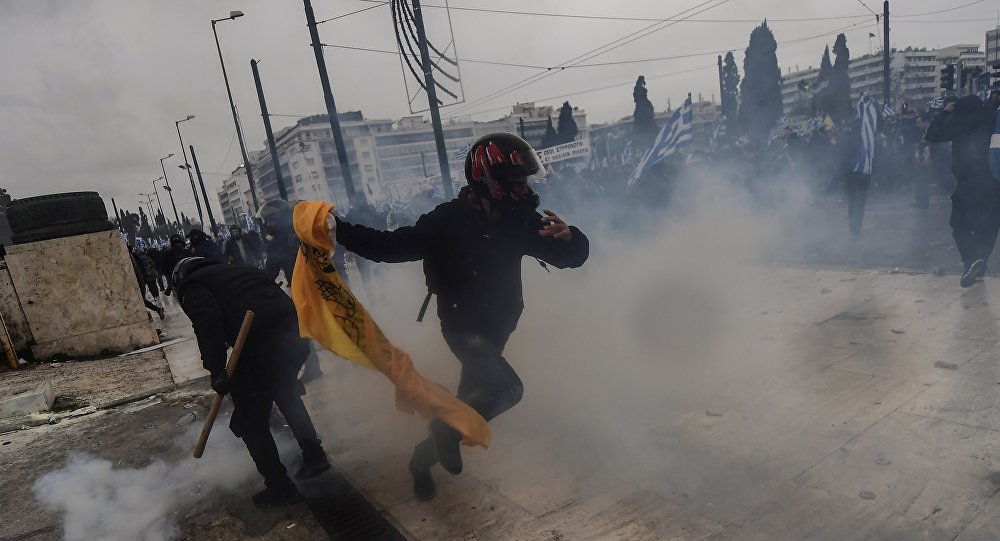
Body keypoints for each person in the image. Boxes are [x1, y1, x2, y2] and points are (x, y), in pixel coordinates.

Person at [332, 133, 589, 500]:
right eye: (517, 184)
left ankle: (422, 460)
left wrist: (571, 238)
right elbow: (392, 247)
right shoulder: (448, 220)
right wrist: (339, 230)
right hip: (462, 326)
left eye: (526, 183)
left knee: (465, 405)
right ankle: (442, 435)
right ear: (490, 182)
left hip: (499, 327)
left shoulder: (520, 221)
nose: (525, 192)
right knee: (506, 389)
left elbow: (572, 258)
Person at [172, 256, 331, 508]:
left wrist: (216, 370)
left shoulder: (191, 285)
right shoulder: (237, 269)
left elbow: (208, 322)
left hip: (261, 341)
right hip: (294, 333)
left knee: (250, 421)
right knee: (286, 393)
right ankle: (315, 455)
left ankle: (280, 487)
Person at [925, 95, 999, 287]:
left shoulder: (959, 121)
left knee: (960, 224)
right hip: (994, 181)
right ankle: (980, 262)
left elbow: (932, 135)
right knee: (989, 224)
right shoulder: (993, 118)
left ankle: (970, 261)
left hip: (968, 183)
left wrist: (945, 112)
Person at [257, 200, 326, 382]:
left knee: (305, 330)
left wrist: (256, 284)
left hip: (309, 289)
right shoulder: (298, 232)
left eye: (271, 220)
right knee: (314, 327)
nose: (268, 225)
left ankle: (315, 366)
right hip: (317, 286)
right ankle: (315, 366)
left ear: (281, 217)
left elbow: (270, 271)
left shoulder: (283, 239)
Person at [129, 247, 164, 320]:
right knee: (144, 297)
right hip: (147, 277)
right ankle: (157, 302)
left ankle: (155, 309)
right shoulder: (136, 257)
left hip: (140, 280)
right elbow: (153, 264)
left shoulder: (132, 258)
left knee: (142, 299)